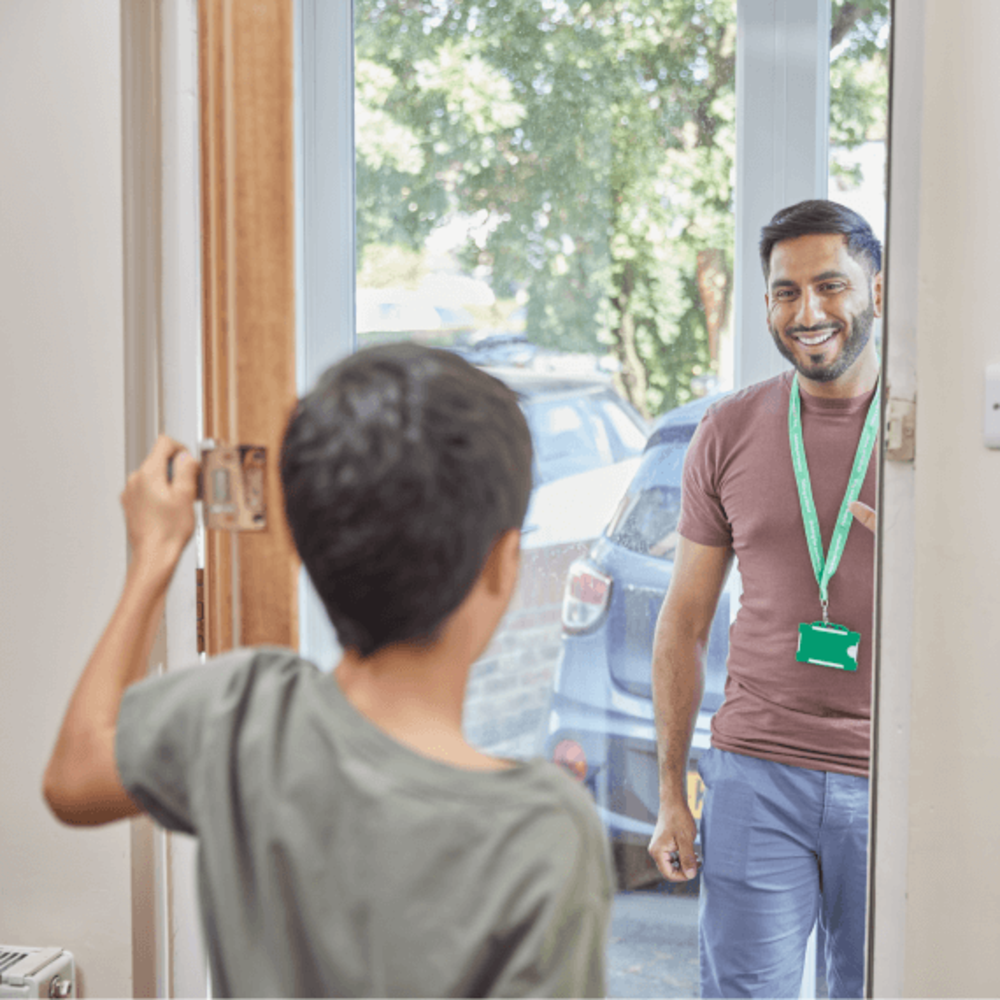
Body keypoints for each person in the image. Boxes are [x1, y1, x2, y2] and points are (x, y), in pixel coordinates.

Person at [43, 343, 613, 998]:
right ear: (501, 564)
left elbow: (73, 776)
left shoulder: (241, 713)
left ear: (305, 542)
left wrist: (155, 554)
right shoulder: (541, 834)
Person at [647, 200, 882, 998]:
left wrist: (929, 556)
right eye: (786, 292)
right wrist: (671, 794)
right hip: (757, 772)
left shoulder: (928, 434)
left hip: (890, 774)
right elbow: (684, 621)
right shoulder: (729, 429)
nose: (808, 312)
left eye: (830, 285)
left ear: (877, 289)